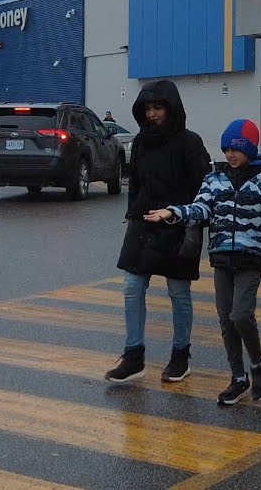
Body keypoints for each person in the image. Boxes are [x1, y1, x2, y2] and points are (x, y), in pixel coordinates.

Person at [144, 118, 261, 406]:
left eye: (237, 149)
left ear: (251, 149)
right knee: (226, 320)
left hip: (251, 257)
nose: (231, 154)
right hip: (221, 257)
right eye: (227, 148)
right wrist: (173, 212)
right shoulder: (214, 179)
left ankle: (258, 363)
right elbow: (201, 208)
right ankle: (238, 377)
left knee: (241, 315)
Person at [106, 80, 211, 384]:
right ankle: (133, 356)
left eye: (158, 108)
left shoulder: (190, 143)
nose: (151, 114)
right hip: (143, 225)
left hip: (177, 225)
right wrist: (133, 213)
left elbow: (205, 189)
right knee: (132, 287)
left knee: (178, 293)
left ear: (171, 109)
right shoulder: (140, 142)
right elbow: (135, 183)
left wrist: (188, 219)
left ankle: (180, 355)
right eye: (147, 109)